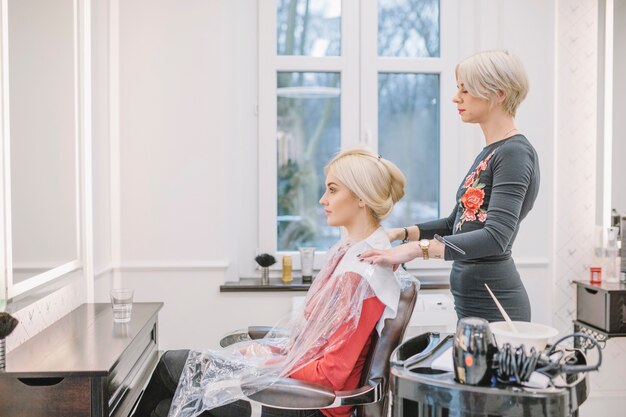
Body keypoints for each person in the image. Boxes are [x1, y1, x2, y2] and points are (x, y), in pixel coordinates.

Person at [133, 147, 413, 417]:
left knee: (172, 366)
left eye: (332, 189)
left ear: (361, 198)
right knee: (170, 400)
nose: (322, 200)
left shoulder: (361, 275)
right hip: (298, 389)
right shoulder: (353, 253)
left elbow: (330, 374)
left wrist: (265, 361)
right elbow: (313, 342)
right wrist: (268, 352)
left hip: (309, 404)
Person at [360, 50, 539, 323]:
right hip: (473, 299)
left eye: (465, 91)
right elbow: (456, 223)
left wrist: (415, 250)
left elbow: (495, 237)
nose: (457, 98)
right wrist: (400, 233)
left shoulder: (514, 153)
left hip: (496, 304)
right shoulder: (492, 151)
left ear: (499, 94)